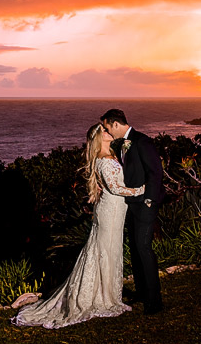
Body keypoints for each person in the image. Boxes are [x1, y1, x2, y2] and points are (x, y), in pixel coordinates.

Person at [12, 123, 144, 328]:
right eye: (105, 131)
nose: (109, 133)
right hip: (110, 211)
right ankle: (103, 298)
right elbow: (116, 188)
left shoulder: (109, 157)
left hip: (114, 211)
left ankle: (107, 294)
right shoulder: (103, 160)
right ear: (99, 138)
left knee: (109, 251)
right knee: (105, 250)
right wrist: (140, 191)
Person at [100, 108, 166, 314]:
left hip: (145, 203)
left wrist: (149, 200)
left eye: (107, 127)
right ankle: (142, 292)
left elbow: (156, 173)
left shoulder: (141, 141)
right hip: (131, 204)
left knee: (144, 249)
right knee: (136, 250)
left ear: (116, 124)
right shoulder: (122, 144)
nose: (107, 131)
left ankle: (154, 302)